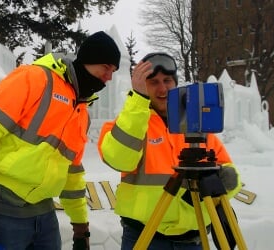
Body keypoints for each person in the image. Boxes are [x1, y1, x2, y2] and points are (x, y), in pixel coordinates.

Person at [0, 31, 121, 250]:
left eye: (113, 71)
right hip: (2, 208)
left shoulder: (81, 112)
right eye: (106, 68)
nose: (109, 77)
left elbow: (72, 172)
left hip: (44, 213)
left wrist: (80, 226)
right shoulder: (35, 78)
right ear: (89, 59)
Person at [97, 52, 241, 250]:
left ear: (175, 83)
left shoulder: (198, 128)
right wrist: (137, 100)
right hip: (144, 237)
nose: (162, 88)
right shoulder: (127, 125)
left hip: (193, 239)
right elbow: (119, 159)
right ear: (143, 86)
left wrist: (209, 188)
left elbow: (230, 174)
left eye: (167, 81)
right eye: (153, 82)